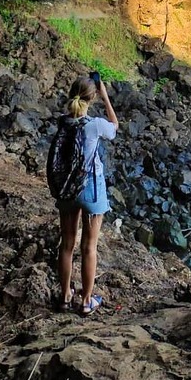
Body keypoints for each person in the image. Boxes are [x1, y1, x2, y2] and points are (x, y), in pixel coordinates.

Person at [56, 74, 119, 316]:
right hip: (91, 189)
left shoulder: (63, 122)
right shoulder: (94, 125)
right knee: (89, 247)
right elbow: (114, 128)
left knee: (67, 245)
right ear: (91, 98)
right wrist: (105, 97)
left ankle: (64, 297)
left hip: (67, 189)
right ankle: (86, 301)